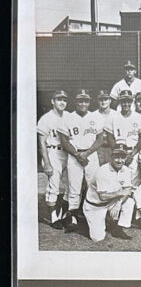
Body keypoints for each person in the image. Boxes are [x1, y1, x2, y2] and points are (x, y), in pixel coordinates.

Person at [58, 89, 104, 232]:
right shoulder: (67, 118)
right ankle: (72, 217)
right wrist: (78, 155)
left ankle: (91, 214)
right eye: (80, 101)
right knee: (74, 187)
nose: (83, 103)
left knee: (93, 185)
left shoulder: (96, 117)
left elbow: (100, 139)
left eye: (86, 101)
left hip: (90, 155)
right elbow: (64, 141)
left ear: (89, 102)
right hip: (74, 155)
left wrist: (87, 153)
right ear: (76, 102)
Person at [82, 144, 135, 242]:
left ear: (126, 158)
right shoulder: (103, 171)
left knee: (129, 202)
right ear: (111, 157)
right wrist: (120, 193)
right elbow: (102, 197)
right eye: (117, 157)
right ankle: (88, 221)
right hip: (95, 205)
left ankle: (117, 228)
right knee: (97, 238)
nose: (120, 160)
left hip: (111, 201)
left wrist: (118, 204)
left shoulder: (126, 170)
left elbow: (127, 191)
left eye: (122, 157)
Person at [37, 90, 70, 229]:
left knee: (71, 186)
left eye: (64, 99)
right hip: (53, 152)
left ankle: (62, 213)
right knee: (53, 186)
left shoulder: (69, 116)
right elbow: (41, 143)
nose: (62, 102)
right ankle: (53, 218)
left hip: (67, 153)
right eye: (59, 99)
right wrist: (47, 163)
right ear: (52, 101)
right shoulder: (46, 118)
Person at [104, 90, 141, 187]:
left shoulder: (139, 117)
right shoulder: (113, 117)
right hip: (118, 153)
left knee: (133, 182)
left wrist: (131, 155)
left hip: (133, 152)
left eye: (128, 101)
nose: (126, 104)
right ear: (120, 102)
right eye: (123, 101)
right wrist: (118, 152)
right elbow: (110, 137)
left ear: (132, 102)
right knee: (117, 181)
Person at [93, 90, 116, 165]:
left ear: (110, 101)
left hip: (112, 147)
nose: (103, 102)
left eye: (105, 99)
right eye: (101, 100)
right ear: (97, 101)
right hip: (98, 148)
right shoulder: (93, 115)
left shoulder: (116, 115)